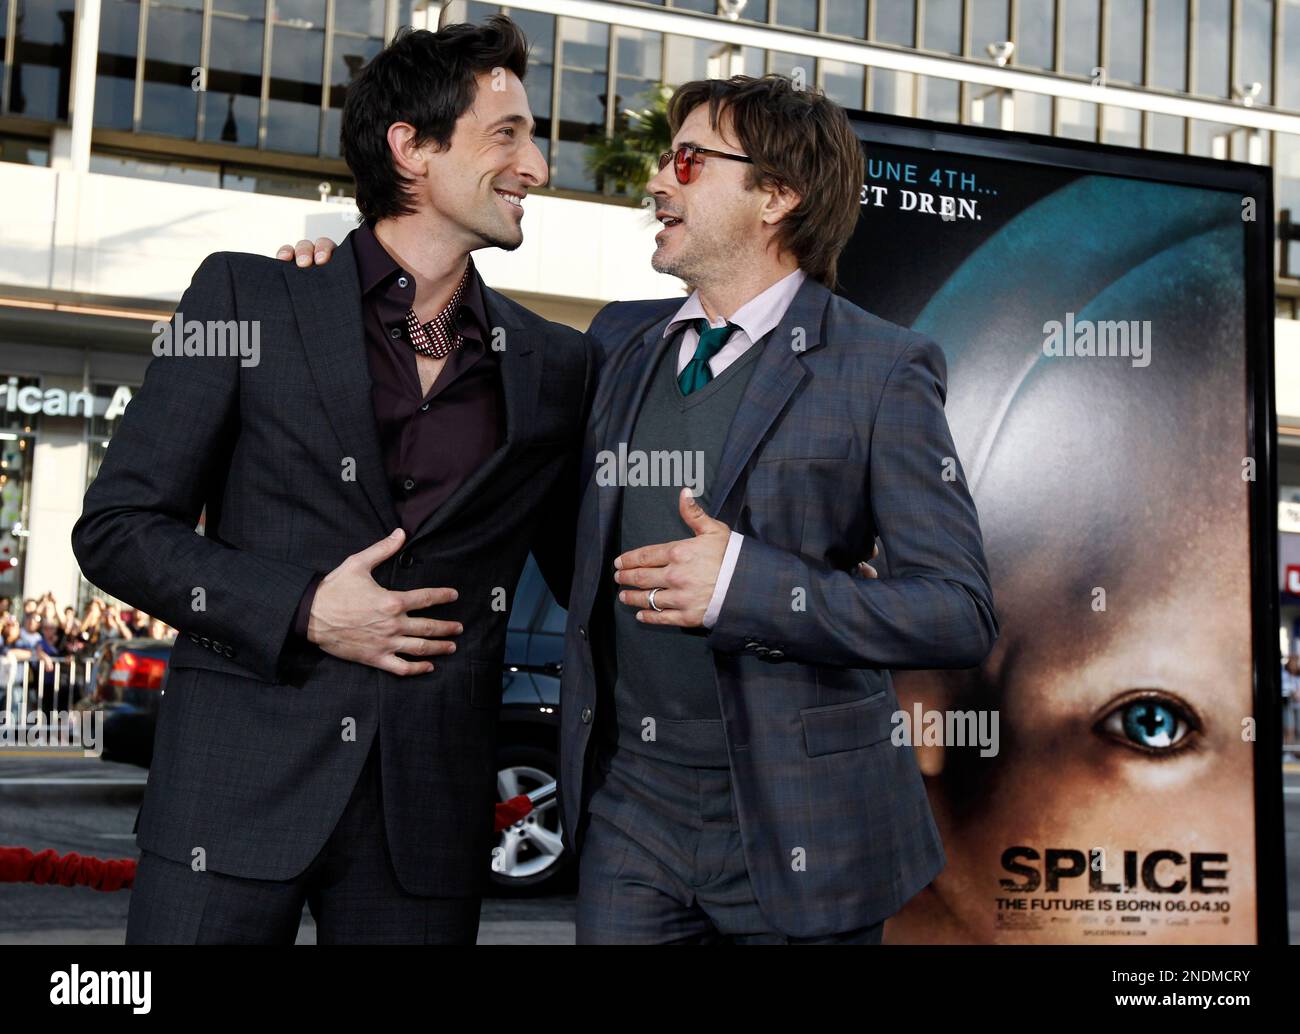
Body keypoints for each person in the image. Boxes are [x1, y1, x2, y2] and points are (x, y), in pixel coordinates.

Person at [71, 16, 596, 945]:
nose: (538, 168)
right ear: (412, 148)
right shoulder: (247, 298)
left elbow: (593, 579)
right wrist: (306, 609)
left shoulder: (554, 365)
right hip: (229, 796)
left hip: (425, 823)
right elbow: (117, 527)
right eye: (508, 135)